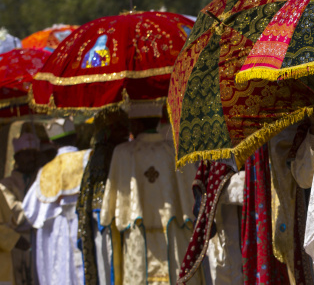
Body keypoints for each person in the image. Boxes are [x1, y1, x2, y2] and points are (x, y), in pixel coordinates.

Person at [100, 104, 203, 285]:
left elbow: (109, 208)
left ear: (136, 124)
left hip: (138, 236)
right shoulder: (177, 150)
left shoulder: (123, 153)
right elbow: (193, 196)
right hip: (174, 235)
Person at [22, 119, 91, 285]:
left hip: (57, 233)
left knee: (61, 272)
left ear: (52, 142)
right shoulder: (88, 158)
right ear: (75, 137)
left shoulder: (45, 171)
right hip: (87, 225)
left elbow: (30, 211)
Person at [76, 110, 129, 285]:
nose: (125, 133)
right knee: (111, 266)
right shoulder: (111, 153)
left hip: (103, 216)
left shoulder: (98, 153)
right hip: (107, 217)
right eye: (119, 128)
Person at [0, 132, 46, 285]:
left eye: (34, 154)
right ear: (17, 157)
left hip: (42, 241)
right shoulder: (6, 184)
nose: (31, 159)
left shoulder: (43, 179)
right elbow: (14, 212)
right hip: (19, 244)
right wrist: (42, 210)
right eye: (27, 154)